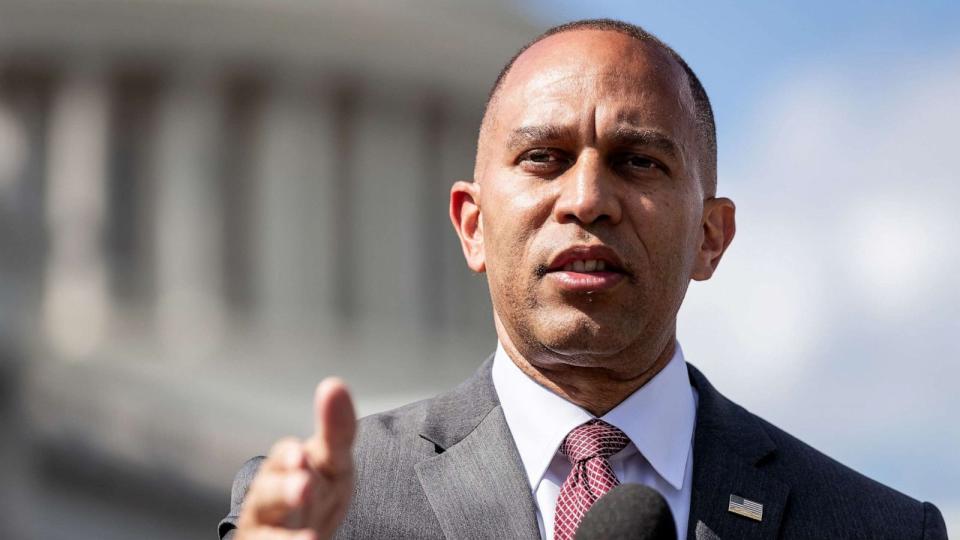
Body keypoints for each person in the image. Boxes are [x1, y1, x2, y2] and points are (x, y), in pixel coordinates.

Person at [220, 19, 948, 540]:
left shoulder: (873, 527)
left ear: (710, 236)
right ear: (472, 224)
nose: (587, 199)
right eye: (544, 157)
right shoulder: (328, 514)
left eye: (639, 162)